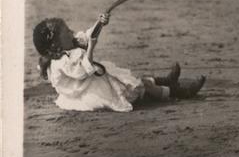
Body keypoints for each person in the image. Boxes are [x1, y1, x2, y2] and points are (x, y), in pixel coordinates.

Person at [32, 14, 205, 112]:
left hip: (93, 81)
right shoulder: (60, 63)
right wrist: (91, 47)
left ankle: (166, 80)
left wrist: (100, 23)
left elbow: (87, 35)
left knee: (134, 79)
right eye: (66, 32)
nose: (71, 32)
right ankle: (178, 92)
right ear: (55, 44)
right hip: (93, 89)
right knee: (142, 86)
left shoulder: (67, 47)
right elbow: (82, 71)